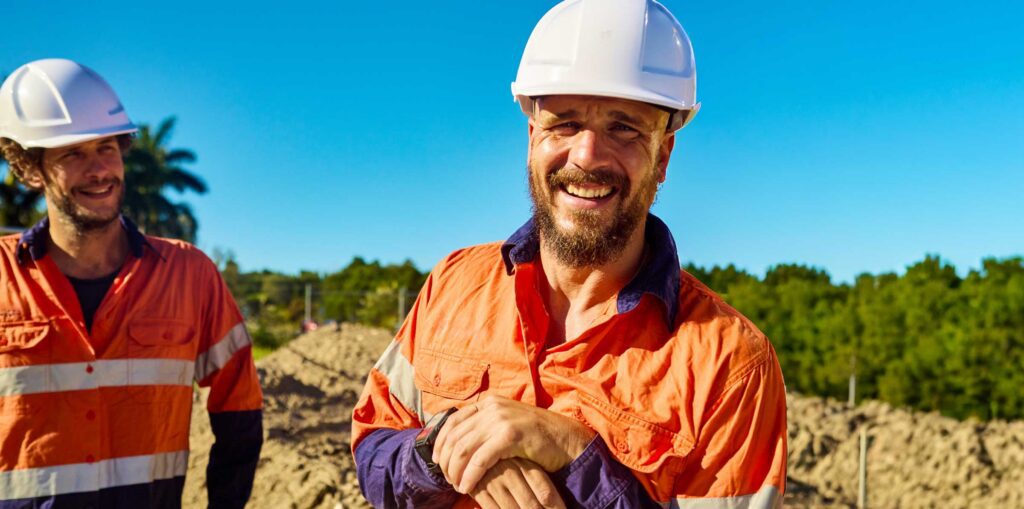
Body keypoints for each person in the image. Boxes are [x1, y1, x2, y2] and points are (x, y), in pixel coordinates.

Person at [351, 0, 788, 507]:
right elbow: (373, 446)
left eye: (624, 127)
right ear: (533, 137)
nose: (587, 156)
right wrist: (445, 452)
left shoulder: (728, 364)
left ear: (663, 156)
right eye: (565, 123)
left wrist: (577, 455)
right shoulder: (453, 284)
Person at [0, 59, 263, 508]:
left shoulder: (190, 274)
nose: (99, 169)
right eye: (72, 154)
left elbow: (239, 412)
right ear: (31, 168)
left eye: (107, 147)